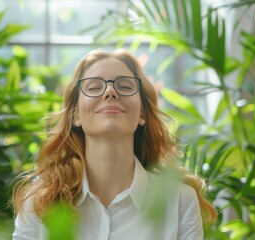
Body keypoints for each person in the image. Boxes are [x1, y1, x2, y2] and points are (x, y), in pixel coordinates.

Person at [12, 48, 217, 240]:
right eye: (94, 87)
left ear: (142, 114)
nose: (110, 92)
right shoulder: (39, 204)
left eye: (125, 86)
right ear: (76, 115)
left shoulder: (181, 202)